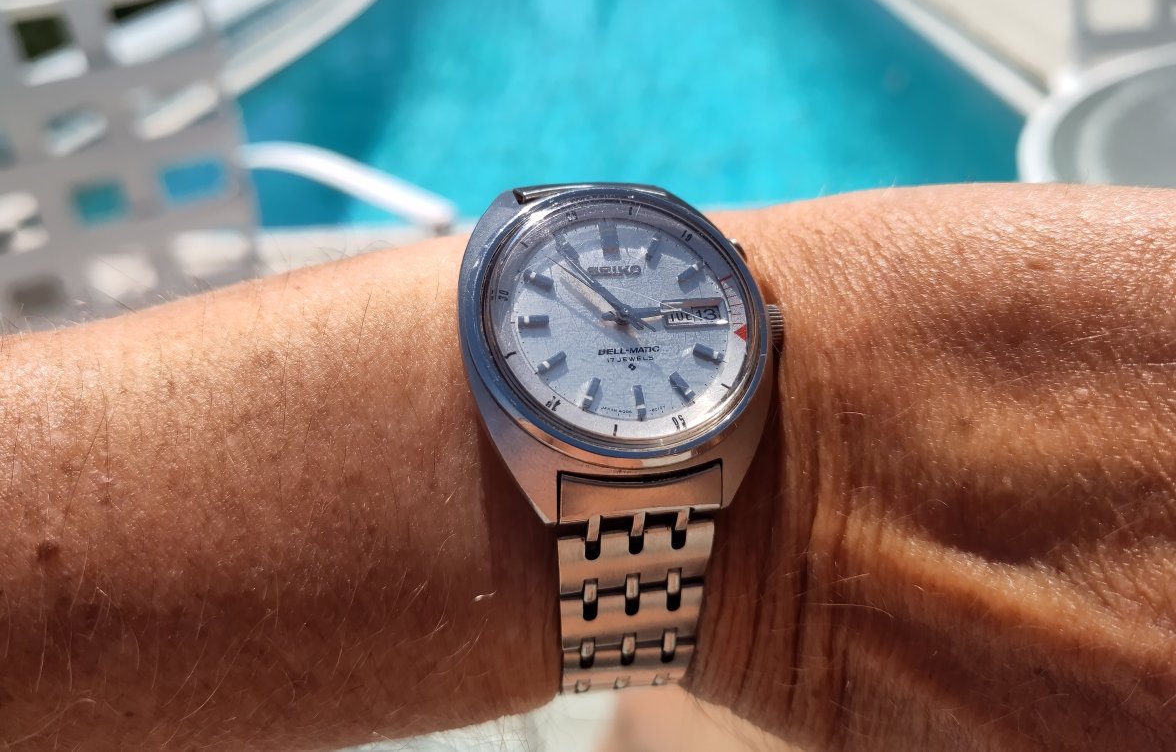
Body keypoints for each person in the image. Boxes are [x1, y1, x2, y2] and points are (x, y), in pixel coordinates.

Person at [0, 184, 1172, 752]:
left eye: (640, 303)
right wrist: (801, 509)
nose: (620, 319)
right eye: (582, 313)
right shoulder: (510, 304)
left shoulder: (717, 322)